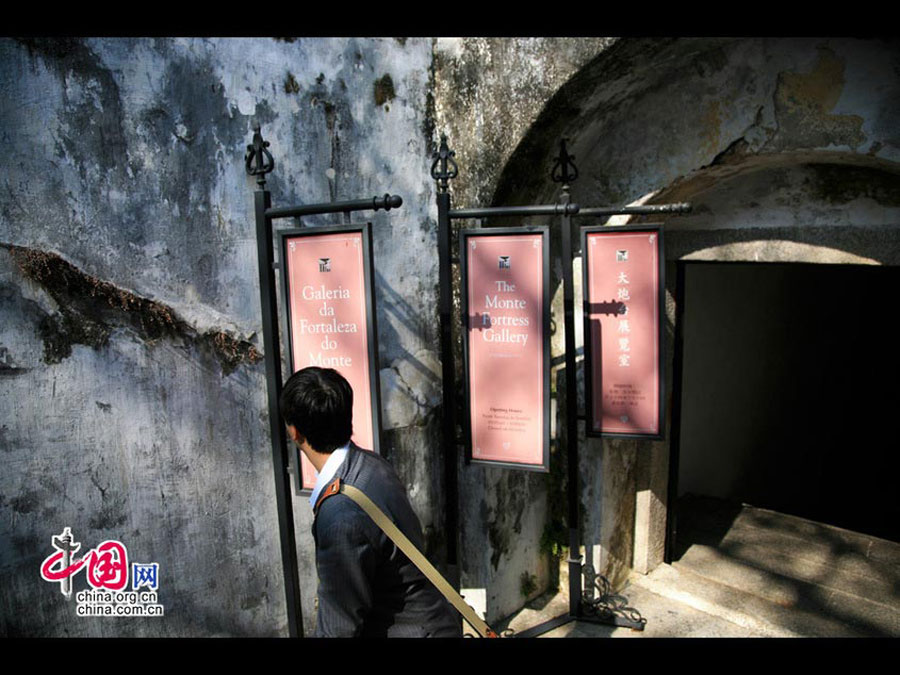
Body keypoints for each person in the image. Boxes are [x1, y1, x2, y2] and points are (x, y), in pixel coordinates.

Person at [279, 366, 462, 638]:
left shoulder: (340, 516)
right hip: (433, 622)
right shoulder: (371, 464)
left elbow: (338, 627)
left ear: (294, 433)